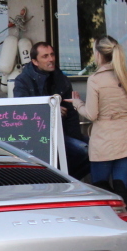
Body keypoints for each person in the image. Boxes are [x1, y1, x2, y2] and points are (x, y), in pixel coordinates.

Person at [66, 35, 127, 206]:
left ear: (98, 55)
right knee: (122, 186)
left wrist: (77, 104)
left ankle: (110, 223)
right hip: (126, 138)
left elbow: (91, 114)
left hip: (103, 141)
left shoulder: (95, 79)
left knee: (101, 188)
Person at [12, 40, 90, 179]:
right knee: (83, 150)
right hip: (35, 137)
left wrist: (75, 137)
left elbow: (71, 113)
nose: (51, 59)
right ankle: (62, 180)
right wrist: (50, 110)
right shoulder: (22, 81)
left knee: (96, 150)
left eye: (52, 55)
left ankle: (65, 180)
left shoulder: (61, 78)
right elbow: (21, 112)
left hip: (62, 132)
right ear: (35, 61)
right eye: (45, 56)